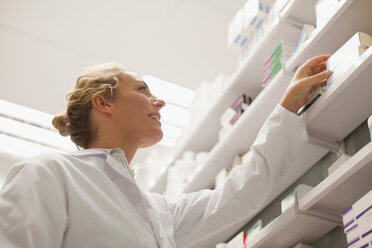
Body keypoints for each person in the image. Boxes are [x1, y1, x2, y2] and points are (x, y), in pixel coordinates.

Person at [0, 55, 332, 248]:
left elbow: (239, 193)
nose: (158, 101)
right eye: (142, 89)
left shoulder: (156, 209)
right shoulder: (48, 173)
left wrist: (287, 108)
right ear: (103, 102)